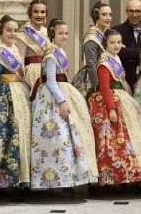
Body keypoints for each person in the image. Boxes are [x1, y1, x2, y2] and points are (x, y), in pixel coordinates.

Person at [30, 19, 97, 191]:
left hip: (63, 92)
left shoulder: (60, 52)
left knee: (69, 138)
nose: (64, 36)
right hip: (52, 99)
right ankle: (55, 181)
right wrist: (62, 102)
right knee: (56, 139)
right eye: (61, 33)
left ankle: (68, 178)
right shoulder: (51, 53)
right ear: (52, 33)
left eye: (66, 33)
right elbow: (51, 81)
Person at [90, 28, 141, 186]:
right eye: (112, 43)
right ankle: (113, 178)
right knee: (113, 140)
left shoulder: (116, 58)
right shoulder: (104, 63)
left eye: (118, 42)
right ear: (106, 44)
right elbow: (104, 88)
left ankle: (130, 174)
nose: (116, 45)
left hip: (122, 97)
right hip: (110, 101)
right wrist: (111, 108)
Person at [0, 17, 33, 192]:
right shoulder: (0, 52)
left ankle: (21, 179)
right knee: (6, 137)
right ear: (1, 32)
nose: (12, 33)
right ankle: (4, 182)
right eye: (8, 30)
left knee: (20, 135)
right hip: (5, 97)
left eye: (15, 30)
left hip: (19, 94)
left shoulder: (15, 50)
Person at [77, 1, 114, 96]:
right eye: (104, 15)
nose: (108, 18)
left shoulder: (107, 34)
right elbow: (91, 65)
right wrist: (97, 87)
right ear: (96, 16)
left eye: (110, 15)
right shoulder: (91, 38)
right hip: (95, 79)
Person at [116, 0, 141, 89]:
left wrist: (128, 51)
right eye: (131, 11)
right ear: (126, 12)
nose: (134, 14)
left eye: (138, 11)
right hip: (123, 79)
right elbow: (119, 52)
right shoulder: (117, 31)